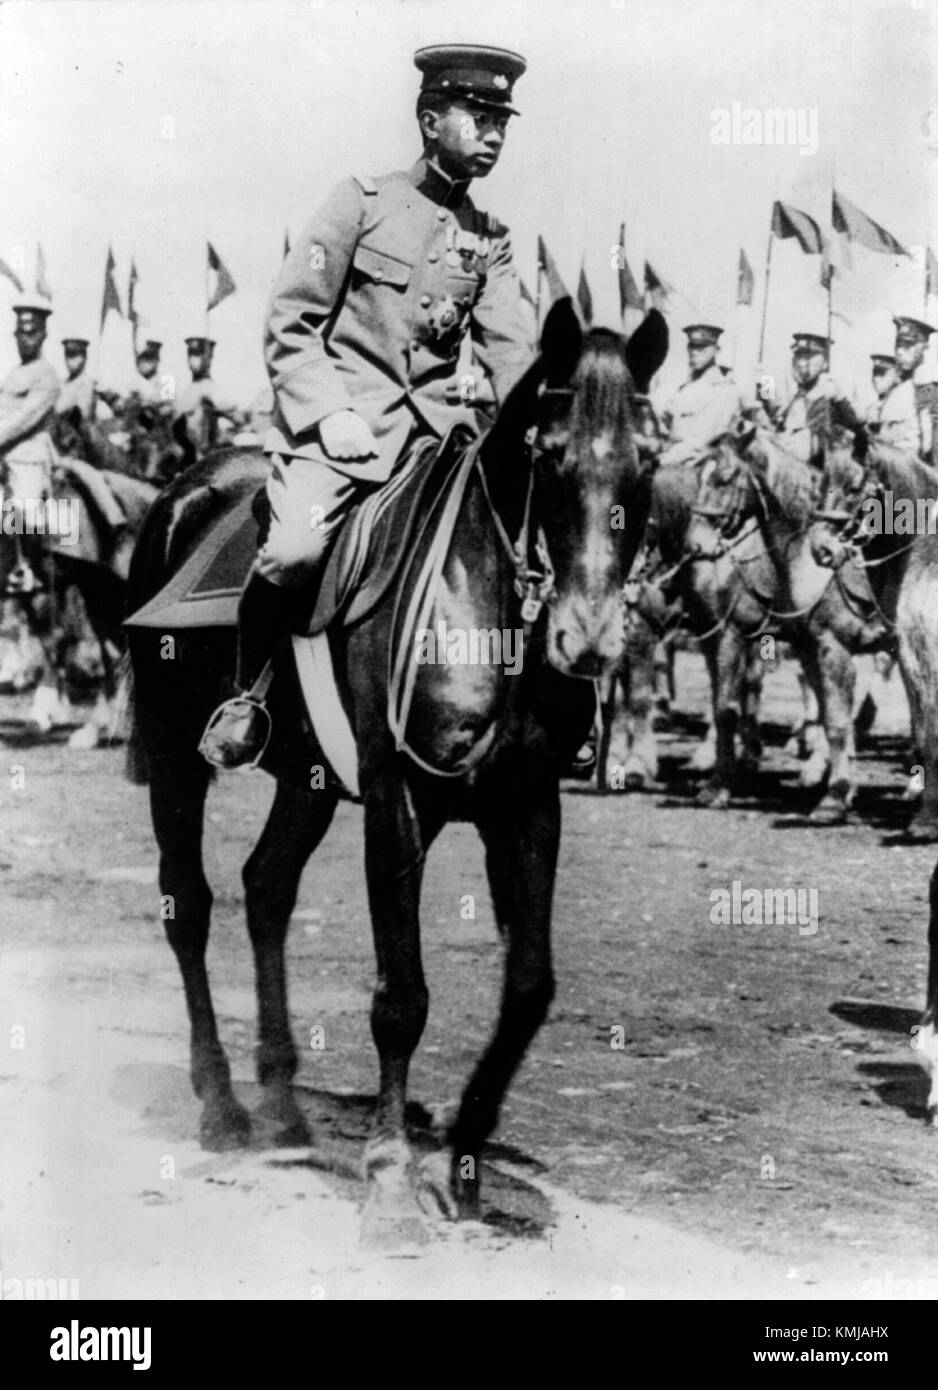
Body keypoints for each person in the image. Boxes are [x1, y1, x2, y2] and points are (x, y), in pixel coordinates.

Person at [200, 42, 533, 768]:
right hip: (344, 435)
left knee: (531, 545)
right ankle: (248, 695)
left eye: (502, 120)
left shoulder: (491, 241)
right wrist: (329, 413)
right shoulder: (360, 202)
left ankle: (552, 714)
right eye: (478, 117)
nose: (495, 133)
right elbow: (292, 318)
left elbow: (513, 354)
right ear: (429, 119)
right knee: (293, 550)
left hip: (443, 441)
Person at [658, 325, 742, 465]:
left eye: (702, 348)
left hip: (697, 466)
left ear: (716, 350)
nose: (694, 353)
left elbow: (700, 443)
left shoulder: (723, 390)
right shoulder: (685, 387)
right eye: (691, 347)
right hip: (672, 459)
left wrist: (664, 459)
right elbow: (667, 424)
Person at [776, 332, 863, 463]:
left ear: (824, 361)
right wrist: (762, 384)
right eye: (798, 356)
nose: (801, 363)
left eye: (808, 357)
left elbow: (854, 425)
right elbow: (774, 416)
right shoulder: (797, 394)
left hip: (814, 466)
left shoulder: (828, 390)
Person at [875, 315, 936, 464]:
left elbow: (931, 443)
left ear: (923, 348)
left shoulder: (926, 388)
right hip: (888, 476)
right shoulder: (894, 387)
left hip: (912, 477)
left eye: (908, 345)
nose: (900, 351)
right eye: (898, 345)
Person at [173, 336, 241, 455]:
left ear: (208, 359)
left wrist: (214, 408)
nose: (193, 360)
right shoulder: (186, 390)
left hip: (205, 453)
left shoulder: (212, 389)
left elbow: (238, 418)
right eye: (191, 355)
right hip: (185, 452)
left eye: (198, 355)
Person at [55, 337, 98, 420]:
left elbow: (83, 415)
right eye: (68, 356)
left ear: (84, 358)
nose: (71, 361)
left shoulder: (86, 383)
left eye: (75, 356)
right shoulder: (62, 383)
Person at [865, 352, 897, 430]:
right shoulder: (872, 409)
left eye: (882, 373)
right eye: (874, 373)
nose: (875, 379)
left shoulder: (901, 405)